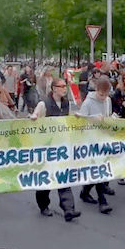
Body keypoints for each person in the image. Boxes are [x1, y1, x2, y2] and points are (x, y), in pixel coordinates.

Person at [29, 78, 82, 221]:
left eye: (65, 86)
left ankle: (68, 208)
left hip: (61, 146)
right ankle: (43, 205)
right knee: (46, 178)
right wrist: (34, 117)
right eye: (61, 86)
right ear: (54, 89)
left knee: (63, 176)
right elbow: (35, 119)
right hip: (47, 147)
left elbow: (68, 120)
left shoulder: (66, 104)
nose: (64, 89)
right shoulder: (44, 104)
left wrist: (75, 118)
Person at [77, 76, 114, 214]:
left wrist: (110, 120)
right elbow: (81, 121)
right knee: (98, 170)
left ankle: (85, 192)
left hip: (102, 138)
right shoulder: (88, 102)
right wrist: (93, 119)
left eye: (105, 94)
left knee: (98, 169)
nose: (103, 97)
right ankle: (102, 201)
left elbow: (107, 116)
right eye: (100, 94)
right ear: (96, 90)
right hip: (90, 140)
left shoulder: (108, 101)